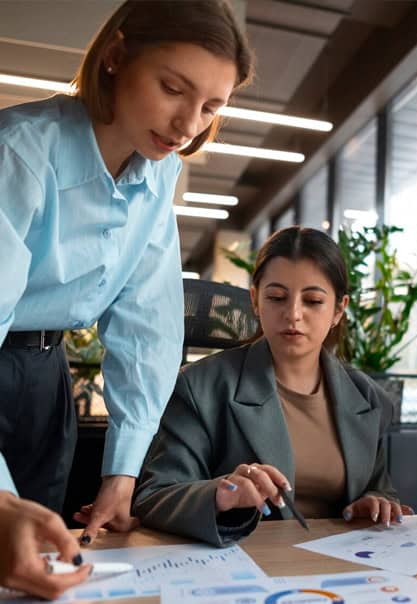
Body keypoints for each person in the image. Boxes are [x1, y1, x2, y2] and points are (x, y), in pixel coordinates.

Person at [0, 0, 253, 597]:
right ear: (115, 57)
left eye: (211, 107)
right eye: (172, 88)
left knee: (33, 570)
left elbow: (148, 321)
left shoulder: (158, 172)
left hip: (44, 377)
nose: (190, 124)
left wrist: (122, 470)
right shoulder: (21, 151)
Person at [134, 226, 410, 546]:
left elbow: (380, 487)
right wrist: (220, 495)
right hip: (246, 566)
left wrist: (375, 501)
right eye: (277, 297)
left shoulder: (366, 395)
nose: (293, 314)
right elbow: (154, 496)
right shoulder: (199, 387)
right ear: (254, 299)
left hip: (346, 567)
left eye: (313, 301)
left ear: (338, 309)